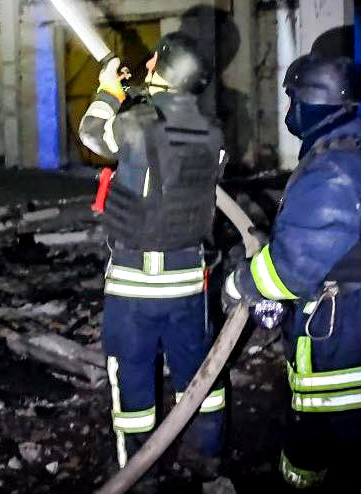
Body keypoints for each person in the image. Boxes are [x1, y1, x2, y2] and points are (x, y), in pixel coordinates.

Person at [222, 53, 361, 492]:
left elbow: (291, 270)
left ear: (313, 103)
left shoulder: (335, 170)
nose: (290, 109)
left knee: (311, 460)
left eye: (293, 99)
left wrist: (240, 283)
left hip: (345, 347)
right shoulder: (358, 152)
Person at [79, 32, 227, 491]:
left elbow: (91, 134)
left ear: (159, 65)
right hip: (190, 280)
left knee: (134, 381)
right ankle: (207, 456)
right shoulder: (211, 130)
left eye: (152, 61)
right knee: (198, 374)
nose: (145, 65)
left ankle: (139, 476)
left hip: (135, 284)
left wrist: (109, 90)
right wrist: (137, 95)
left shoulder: (137, 122)